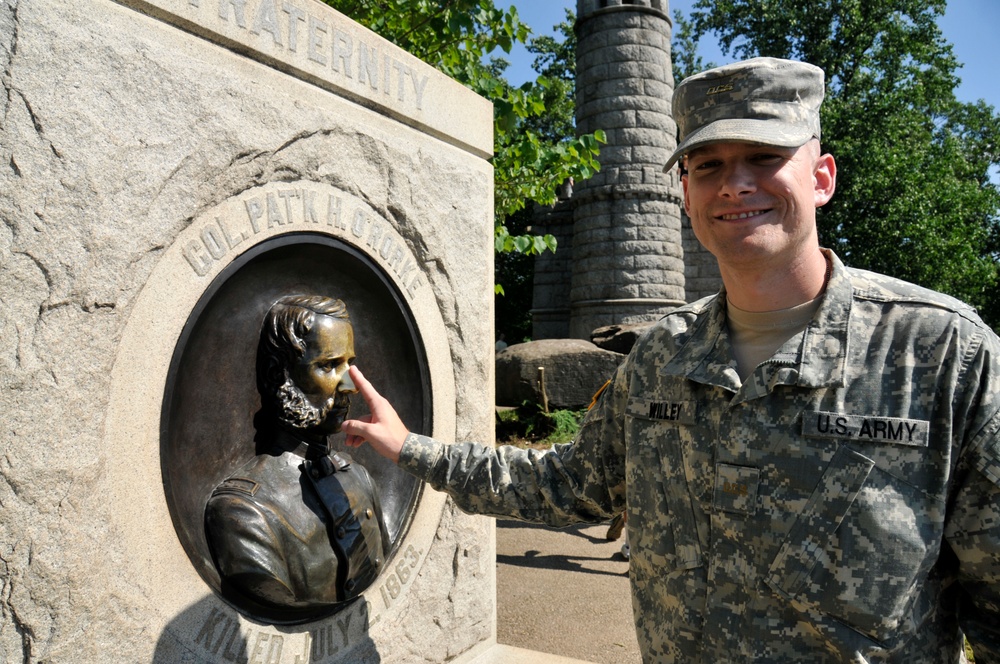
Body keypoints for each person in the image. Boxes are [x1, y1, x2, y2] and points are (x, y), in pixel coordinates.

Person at [341, 57, 1000, 662]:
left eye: (764, 156)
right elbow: (566, 488)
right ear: (684, 193)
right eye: (706, 165)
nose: (734, 184)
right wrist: (411, 449)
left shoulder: (944, 355)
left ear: (821, 177)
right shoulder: (663, 354)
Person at [205, 295, 388, 621]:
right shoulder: (245, 510)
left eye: (350, 364)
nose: (350, 385)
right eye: (329, 365)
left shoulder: (358, 478)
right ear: (279, 373)